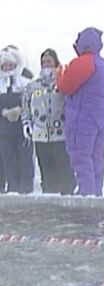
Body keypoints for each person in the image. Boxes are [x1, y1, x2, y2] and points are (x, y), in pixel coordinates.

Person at [58, 27, 104, 197]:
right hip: (100, 119)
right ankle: (96, 193)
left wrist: (61, 74)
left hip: (82, 119)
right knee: (97, 158)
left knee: (81, 156)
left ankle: (86, 194)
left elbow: (65, 86)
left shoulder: (83, 62)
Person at [22, 49, 76, 195]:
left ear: (56, 63)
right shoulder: (32, 86)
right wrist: (26, 123)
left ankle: (67, 199)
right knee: (46, 170)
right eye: (43, 62)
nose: (46, 65)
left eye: (49, 62)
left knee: (64, 169)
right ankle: (49, 201)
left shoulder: (63, 83)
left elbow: (72, 104)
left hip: (60, 134)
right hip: (40, 136)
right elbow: (25, 107)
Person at [0, 46, 34, 194]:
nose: (8, 68)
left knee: (24, 158)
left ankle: (26, 188)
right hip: (4, 128)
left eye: (10, 65)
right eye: (5, 65)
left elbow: (33, 100)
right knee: (8, 158)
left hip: (22, 127)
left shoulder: (25, 82)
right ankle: (12, 186)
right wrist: (4, 112)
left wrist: (21, 110)